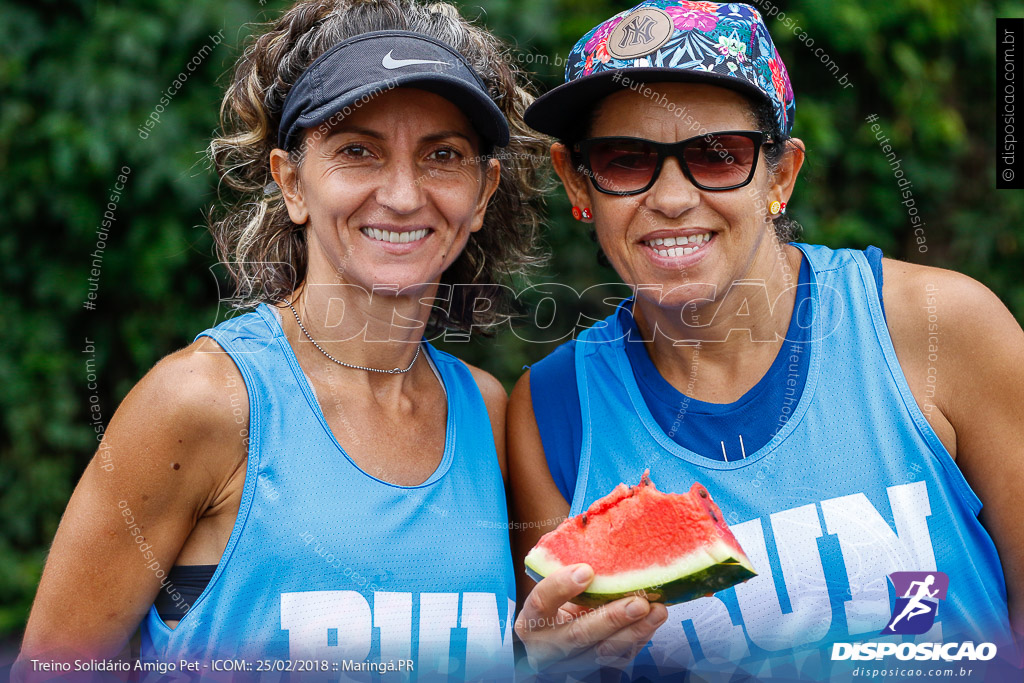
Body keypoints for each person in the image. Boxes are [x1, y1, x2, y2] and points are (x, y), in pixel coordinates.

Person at [15, 0, 551, 679]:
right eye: (358, 151)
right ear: (293, 182)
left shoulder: (487, 409)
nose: (404, 193)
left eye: (442, 155)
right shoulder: (204, 402)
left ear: (481, 194)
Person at [509, 1, 1023, 680]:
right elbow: (567, 652)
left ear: (780, 175)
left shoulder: (940, 324)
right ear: (579, 182)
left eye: (716, 156)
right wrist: (545, 661)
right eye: (625, 160)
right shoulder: (550, 412)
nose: (669, 197)